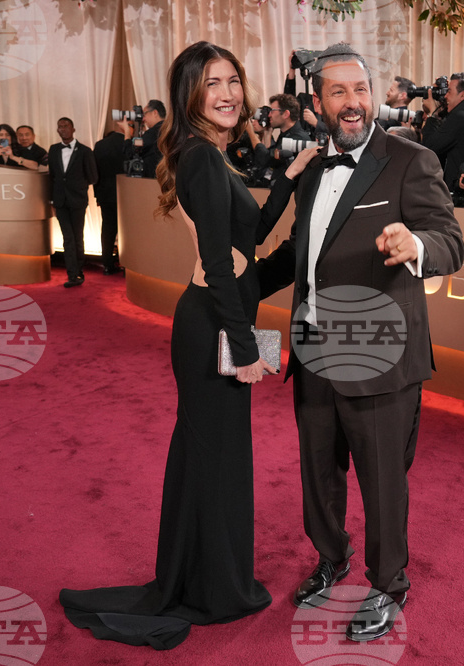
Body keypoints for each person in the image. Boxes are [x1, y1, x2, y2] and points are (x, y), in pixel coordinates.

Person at [58, 41, 318, 650]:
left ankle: (206, 579)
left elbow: (246, 240)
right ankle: (209, 588)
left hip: (216, 321)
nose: (228, 93)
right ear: (191, 96)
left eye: (233, 80)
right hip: (210, 330)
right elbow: (219, 266)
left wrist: (288, 180)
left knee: (216, 459)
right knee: (214, 458)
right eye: (212, 84)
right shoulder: (201, 157)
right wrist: (245, 344)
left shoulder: (215, 156)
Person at [256, 42, 464, 642]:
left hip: (379, 350)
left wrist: (417, 247)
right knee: (318, 471)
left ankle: (387, 584)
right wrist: (235, 289)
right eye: (339, 93)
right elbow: (301, 252)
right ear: (318, 102)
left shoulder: (410, 159)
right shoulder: (312, 170)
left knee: (381, 480)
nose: (354, 104)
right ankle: (330, 556)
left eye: (361, 90)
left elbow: (450, 239)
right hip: (315, 348)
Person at [47, 117, 98, 287]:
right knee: (67, 238)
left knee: (78, 237)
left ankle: (79, 271)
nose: (63, 129)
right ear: (57, 130)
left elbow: (93, 177)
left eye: (66, 126)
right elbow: (52, 176)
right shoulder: (54, 150)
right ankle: (72, 275)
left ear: (73, 129)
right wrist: (52, 199)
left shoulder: (85, 151)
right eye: (59, 126)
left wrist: (78, 186)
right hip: (60, 201)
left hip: (77, 200)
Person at [254, 93, 311, 185]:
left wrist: (250, 133)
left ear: (285, 114)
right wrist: (267, 134)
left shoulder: (297, 138)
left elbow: (265, 159)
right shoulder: (285, 135)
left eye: (272, 111)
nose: (269, 115)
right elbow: (270, 159)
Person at [92, 128, 126, 273]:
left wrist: (97, 196)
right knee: (126, 231)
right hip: (125, 193)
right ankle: (126, 264)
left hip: (105, 194)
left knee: (107, 229)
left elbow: (95, 173)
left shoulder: (99, 145)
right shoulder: (127, 143)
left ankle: (107, 263)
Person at [118, 100, 165, 178]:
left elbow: (131, 152)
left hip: (151, 181)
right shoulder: (168, 130)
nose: (143, 119)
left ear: (155, 113)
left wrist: (127, 131)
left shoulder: (153, 133)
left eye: (145, 114)